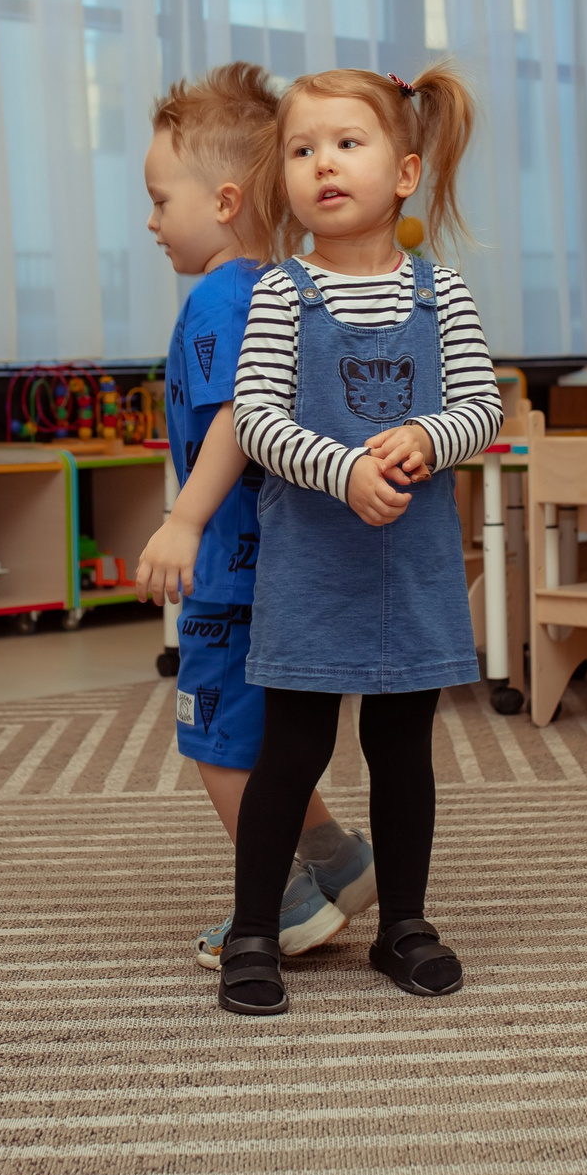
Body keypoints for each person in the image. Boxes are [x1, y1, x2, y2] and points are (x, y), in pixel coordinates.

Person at [216, 66, 503, 1017]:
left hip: (411, 569)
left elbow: (481, 407)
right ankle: (255, 928)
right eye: (302, 150)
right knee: (292, 749)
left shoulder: (442, 292)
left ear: (406, 172)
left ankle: (404, 925)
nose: (323, 164)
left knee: (403, 747)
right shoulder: (280, 293)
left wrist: (427, 434)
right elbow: (255, 419)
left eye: (347, 144)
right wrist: (343, 470)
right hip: (311, 566)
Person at [131, 64, 378, 971]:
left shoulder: (219, 299)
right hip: (276, 566)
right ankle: (340, 861)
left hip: (234, 570)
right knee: (258, 734)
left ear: (226, 200)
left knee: (214, 739)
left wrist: (184, 520)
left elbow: (240, 415)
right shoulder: (279, 289)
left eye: (161, 200)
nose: (152, 221)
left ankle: (282, 901)